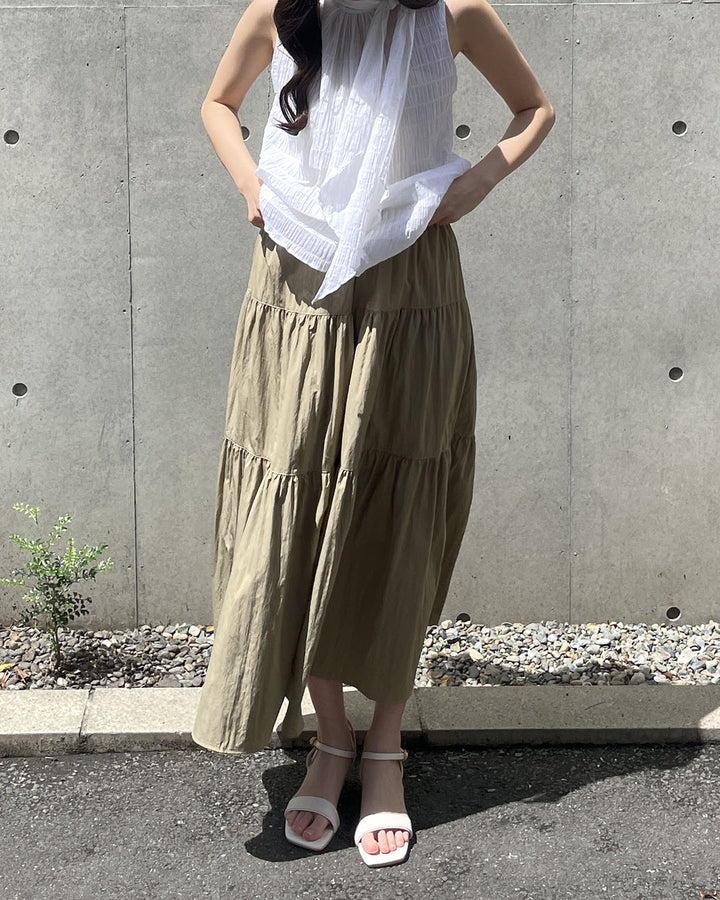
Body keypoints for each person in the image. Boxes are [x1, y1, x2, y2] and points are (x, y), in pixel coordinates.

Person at [191, 0, 555, 867]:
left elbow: (534, 109)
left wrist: (475, 182)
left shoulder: (452, 14)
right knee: (306, 501)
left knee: (397, 505)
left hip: (410, 279)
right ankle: (332, 738)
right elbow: (218, 103)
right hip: (296, 280)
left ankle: (384, 746)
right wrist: (252, 183)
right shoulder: (283, 11)